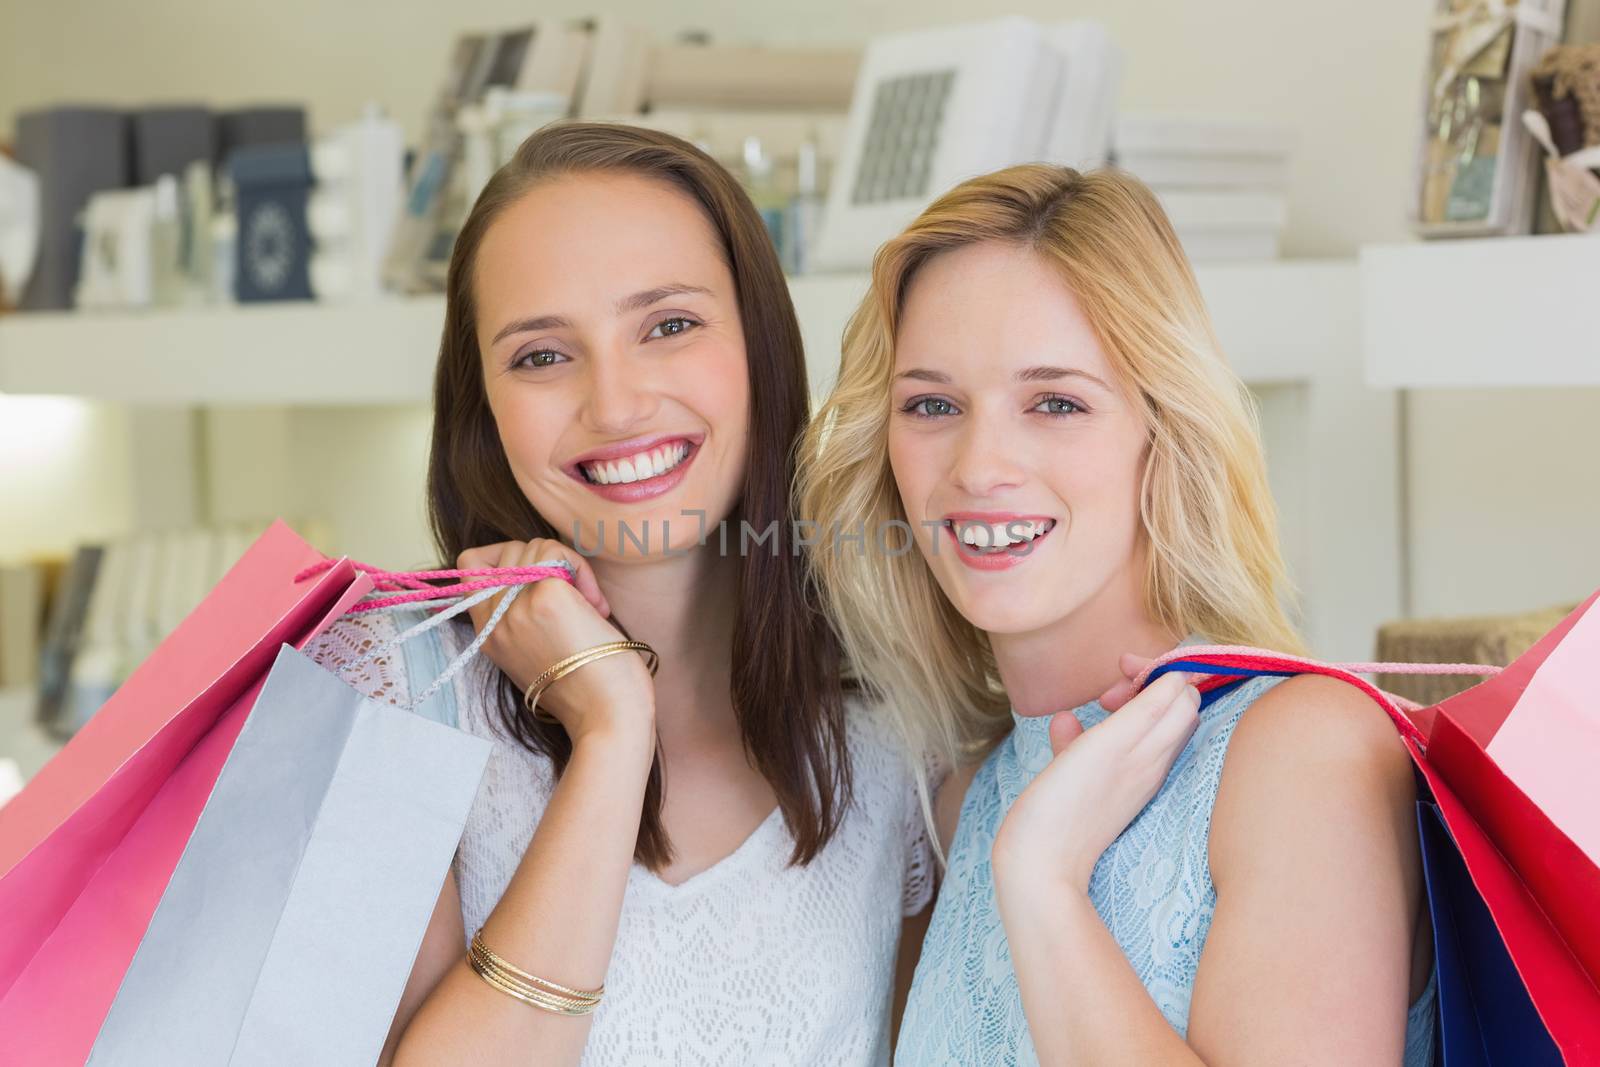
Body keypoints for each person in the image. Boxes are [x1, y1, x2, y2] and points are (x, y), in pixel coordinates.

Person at [308, 122, 934, 1067]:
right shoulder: (388, 684)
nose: (616, 404)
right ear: (482, 401)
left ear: (760, 344)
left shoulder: (902, 717)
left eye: (669, 325)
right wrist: (609, 732)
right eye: (542, 355)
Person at [797, 163, 1435, 1065]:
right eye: (932, 404)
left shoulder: (1301, 753)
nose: (981, 463)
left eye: (1055, 401)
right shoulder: (964, 794)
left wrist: (1044, 881)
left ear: (1162, 430)